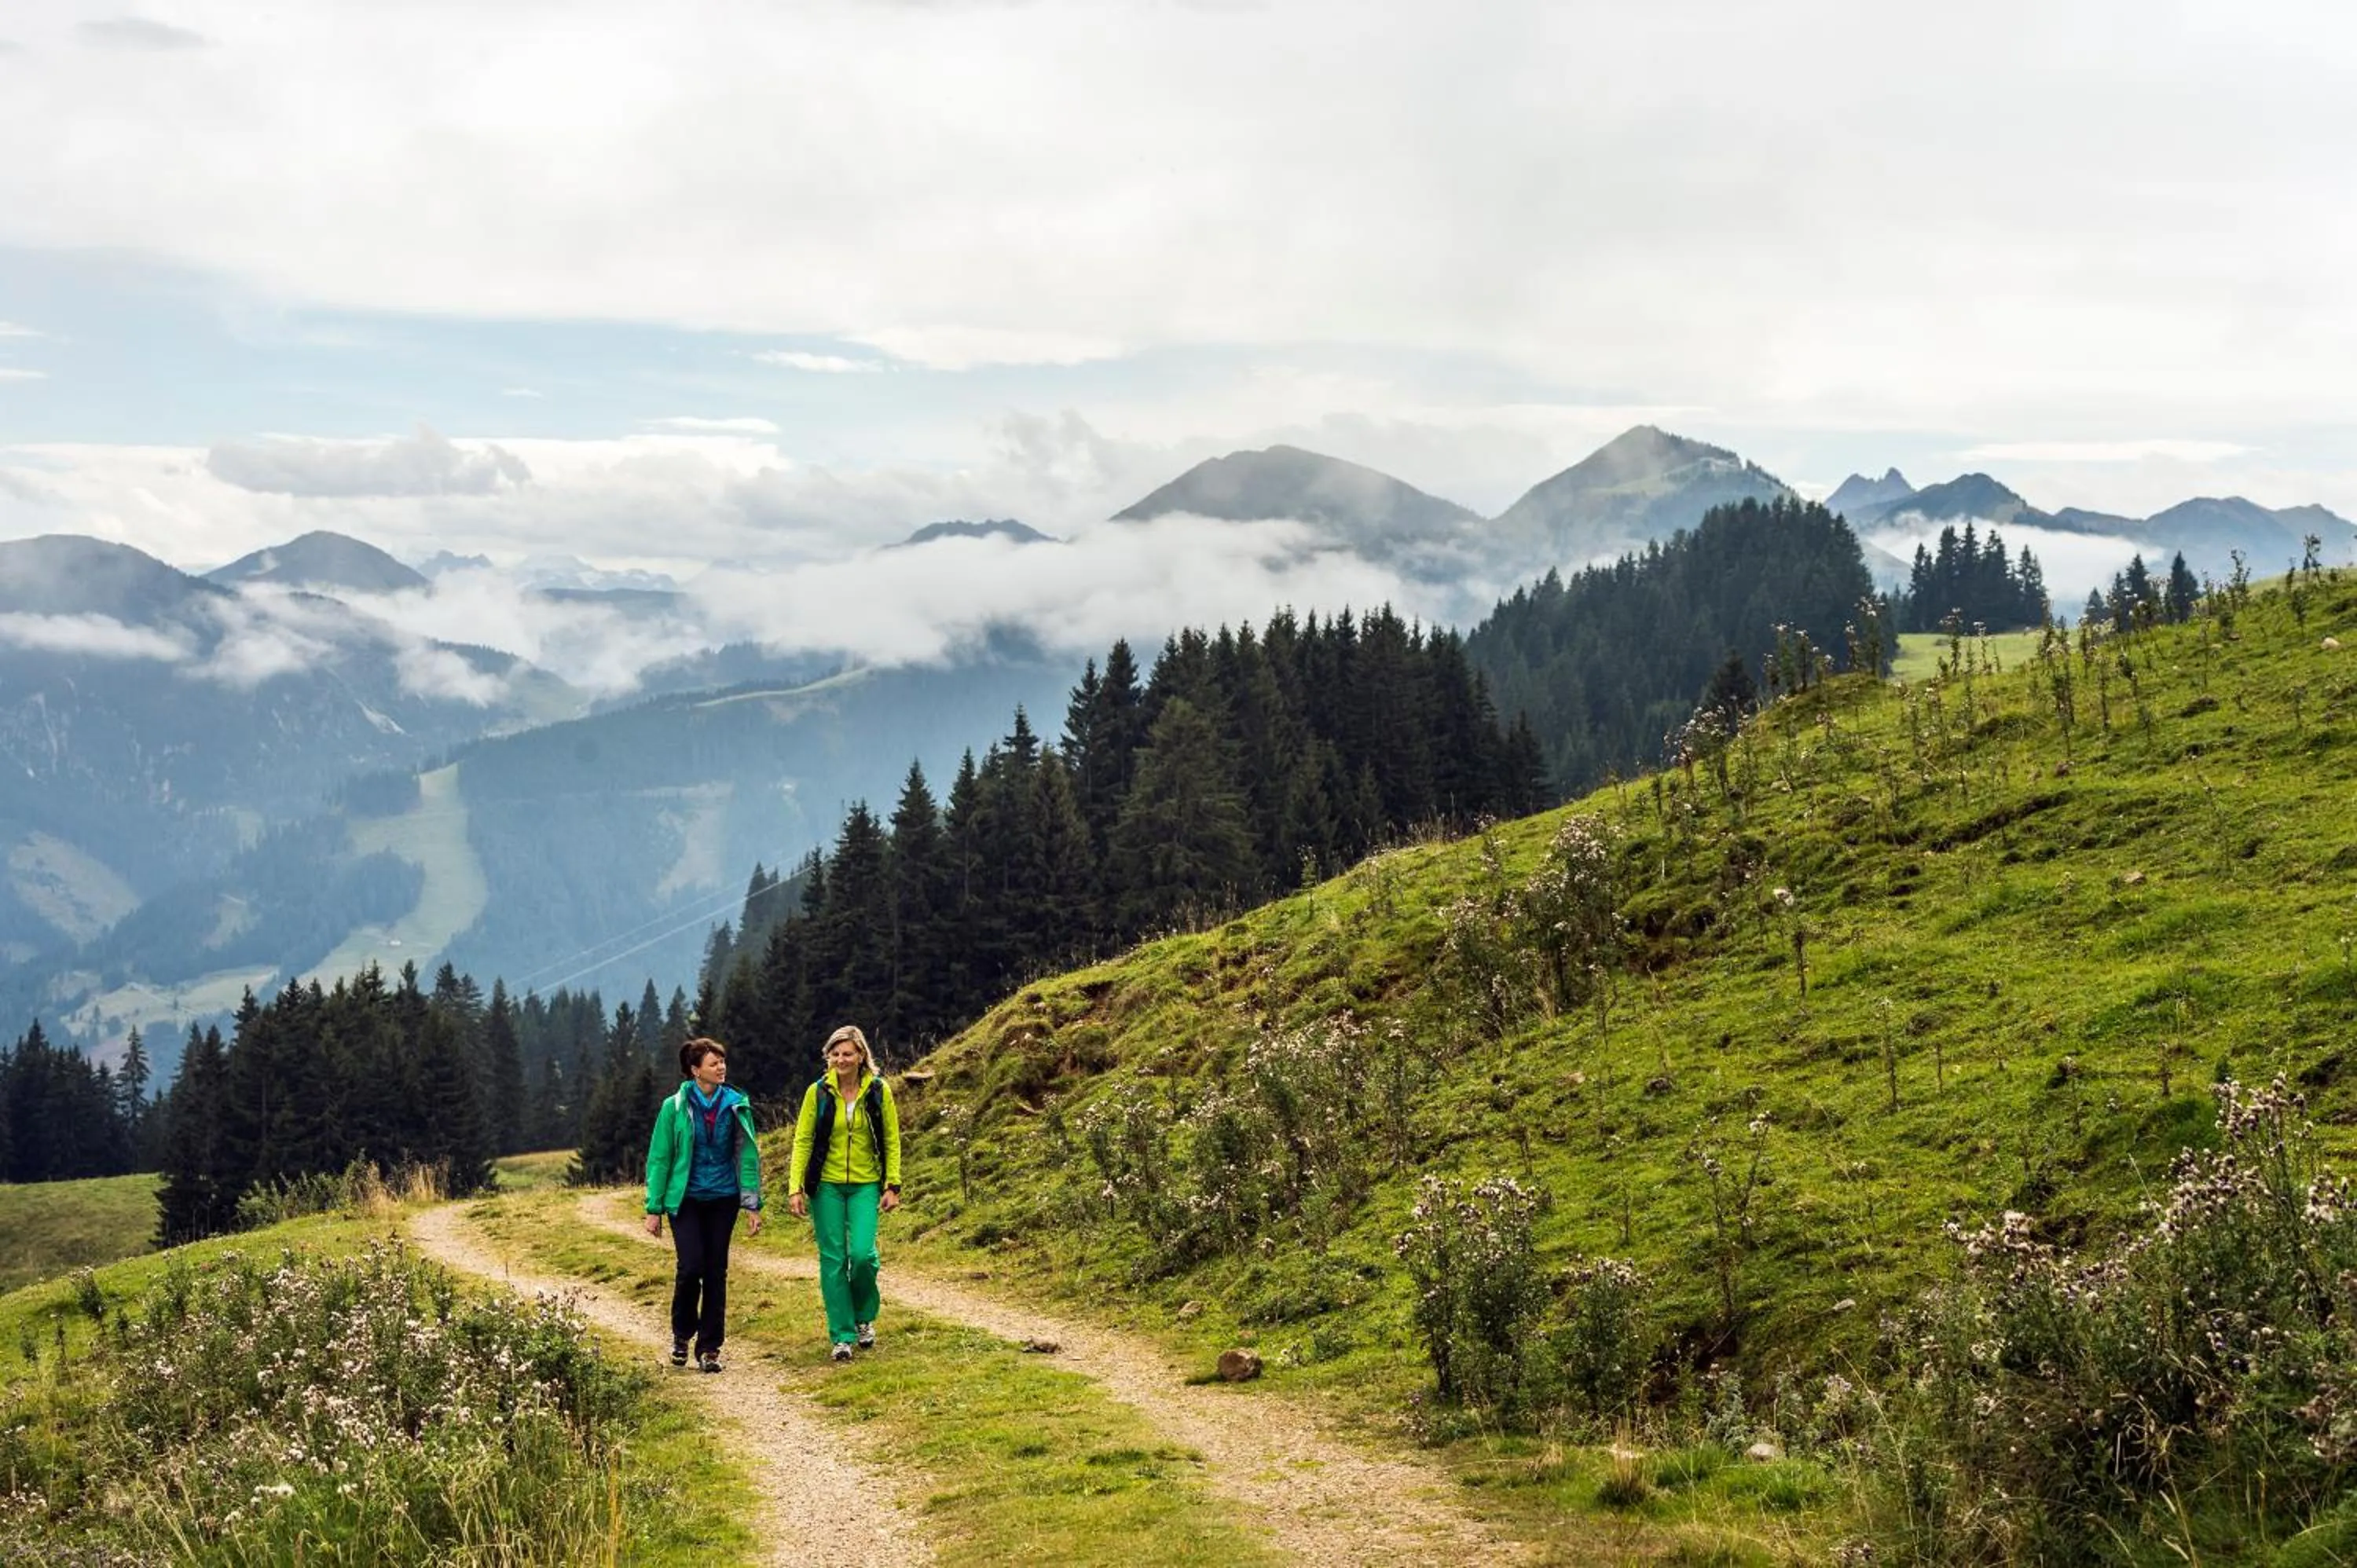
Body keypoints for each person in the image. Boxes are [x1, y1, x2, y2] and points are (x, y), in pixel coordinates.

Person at [643, 1036, 763, 1372]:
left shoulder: (737, 1104)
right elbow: (660, 1158)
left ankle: (710, 1348)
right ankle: (682, 1335)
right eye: (714, 1063)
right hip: (686, 1200)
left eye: (723, 1061)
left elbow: (747, 1155)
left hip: (723, 1198)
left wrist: (751, 1203)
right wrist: (654, 1209)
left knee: (715, 1272)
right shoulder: (675, 1107)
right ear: (696, 1071)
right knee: (691, 1267)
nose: (721, 1067)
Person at [787, 1024, 903, 1362]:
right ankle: (842, 1335)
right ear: (828, 1057)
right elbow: (803, 1140)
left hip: (866, 1184)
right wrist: (796, 1187)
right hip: (827, 1186)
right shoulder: (818, 1092)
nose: (841, 1059)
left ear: (861, 1055)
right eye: (835, 1054)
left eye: (847, 1053)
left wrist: (892, 1184)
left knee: (864, 1256)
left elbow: (892, 1139)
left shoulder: (879, 1091)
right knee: (834, 1260)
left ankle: (863, 1316)